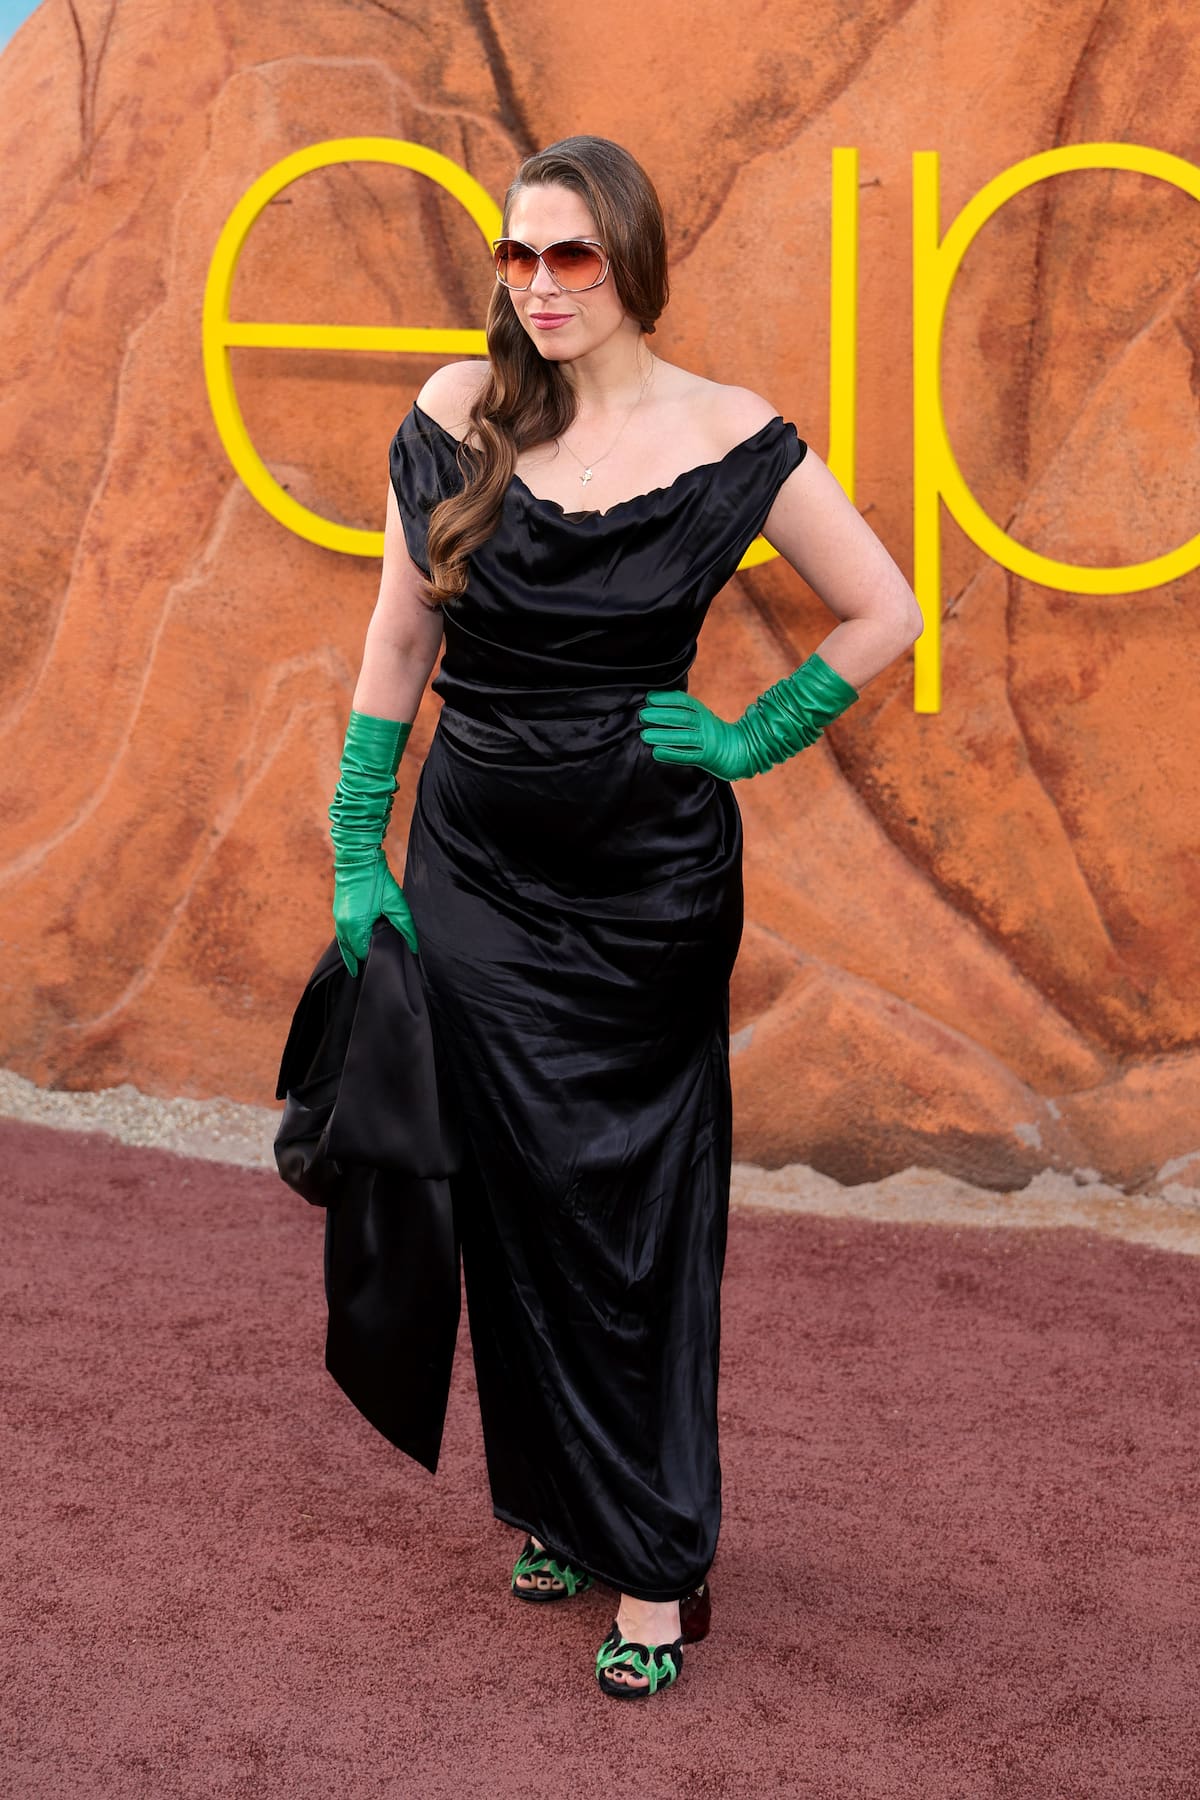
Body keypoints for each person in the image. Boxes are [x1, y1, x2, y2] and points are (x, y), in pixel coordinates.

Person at [327, 134, 923, 1701]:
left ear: (633, 263)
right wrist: (353, 848)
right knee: (513, 1192)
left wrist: (749, 736)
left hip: (648, 896)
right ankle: (553, 1502)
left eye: (572, 256)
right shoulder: (459, 412)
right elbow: (397, 642)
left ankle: (655, 1560)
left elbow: (887, 608)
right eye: (518, 256)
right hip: (471, 873)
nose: (540, 286)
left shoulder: (731, 436)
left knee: (637, 1206)